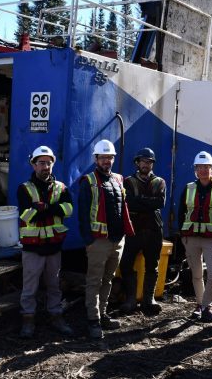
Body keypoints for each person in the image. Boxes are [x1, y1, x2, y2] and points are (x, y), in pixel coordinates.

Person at [78, 139, 135, 339]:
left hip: (117, 241)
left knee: (108, 280)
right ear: (96, 159)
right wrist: (89, 240)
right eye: (103, 158)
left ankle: (102, 315)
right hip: (98, 241)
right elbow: (83, 214)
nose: (106, 161)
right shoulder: (88, 181)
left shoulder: (119, 179)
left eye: (109, 157)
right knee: (94, 281)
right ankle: (92, 320)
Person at [17, 145, 74, 338]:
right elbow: (27, 215)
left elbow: (68, 210)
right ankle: (27, 320)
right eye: (41, 163)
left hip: (54, 247)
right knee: (29, 288)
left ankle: (56, 317)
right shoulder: (24, 188)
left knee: (54, 286)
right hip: (32, 247)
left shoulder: (62, 188)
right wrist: (53, 209)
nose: (45, 166)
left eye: (48, 163)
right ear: (33, 165)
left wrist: (44, 207)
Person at [177, 151, 212, 322]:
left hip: (211, 239)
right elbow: (181, 212)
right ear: (195, 169)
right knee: (197, 274)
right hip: (191, 238)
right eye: (199, 167)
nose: (203, 170)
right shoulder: (189, 188)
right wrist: (182, 234)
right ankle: (199, 305)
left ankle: (206, 306)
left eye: (206, 167)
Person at [119, 147, 167, 316]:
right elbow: (128, 203)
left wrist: (139, 201)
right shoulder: (128, 181)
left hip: (154, 230)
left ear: (152, 164)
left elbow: (159, 203)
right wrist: (147, 202)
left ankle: (149, 299)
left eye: (149, 162)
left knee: (152, 265)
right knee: (126, 264)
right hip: (134, 230)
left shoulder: (160, 182)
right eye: (143, 161)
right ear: (137, 162)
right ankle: (131, 299)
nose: (146, 164)